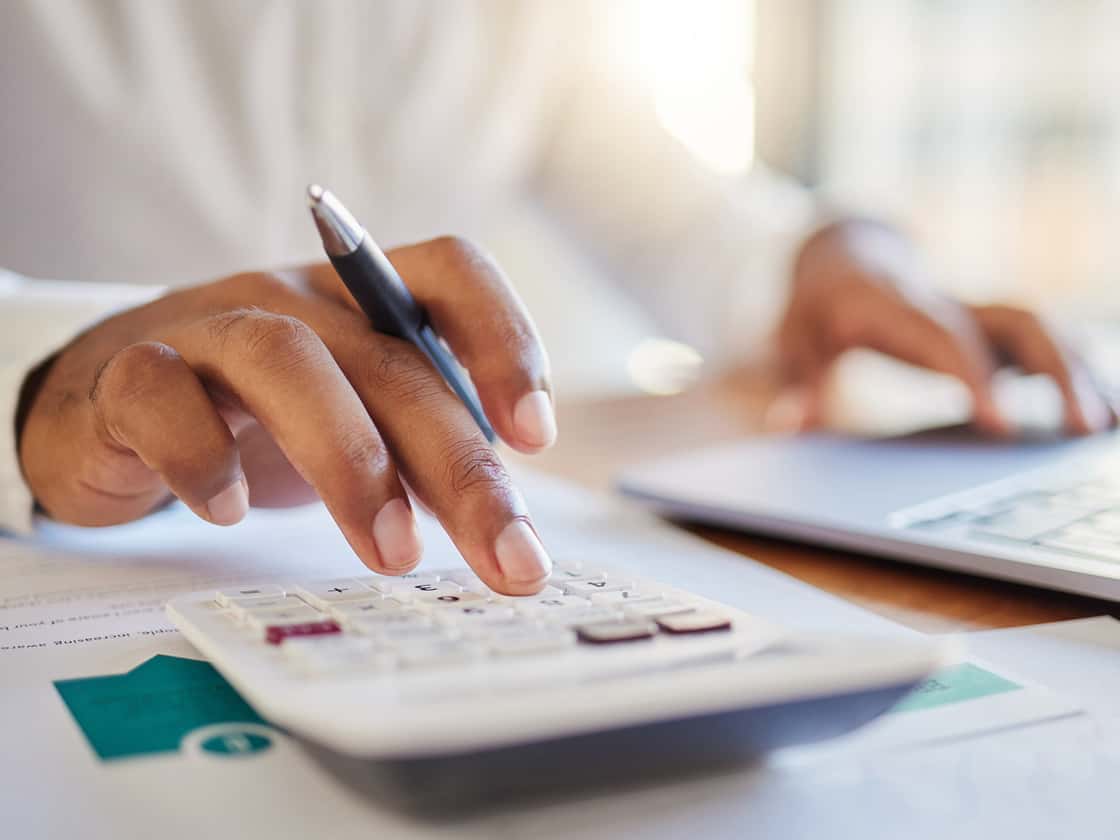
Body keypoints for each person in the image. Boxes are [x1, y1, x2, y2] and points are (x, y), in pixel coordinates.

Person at [2, 1, 1112, 596]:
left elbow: (674, 214)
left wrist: (832, 252)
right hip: (97, 560)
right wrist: (40, 374)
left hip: (492, 529)